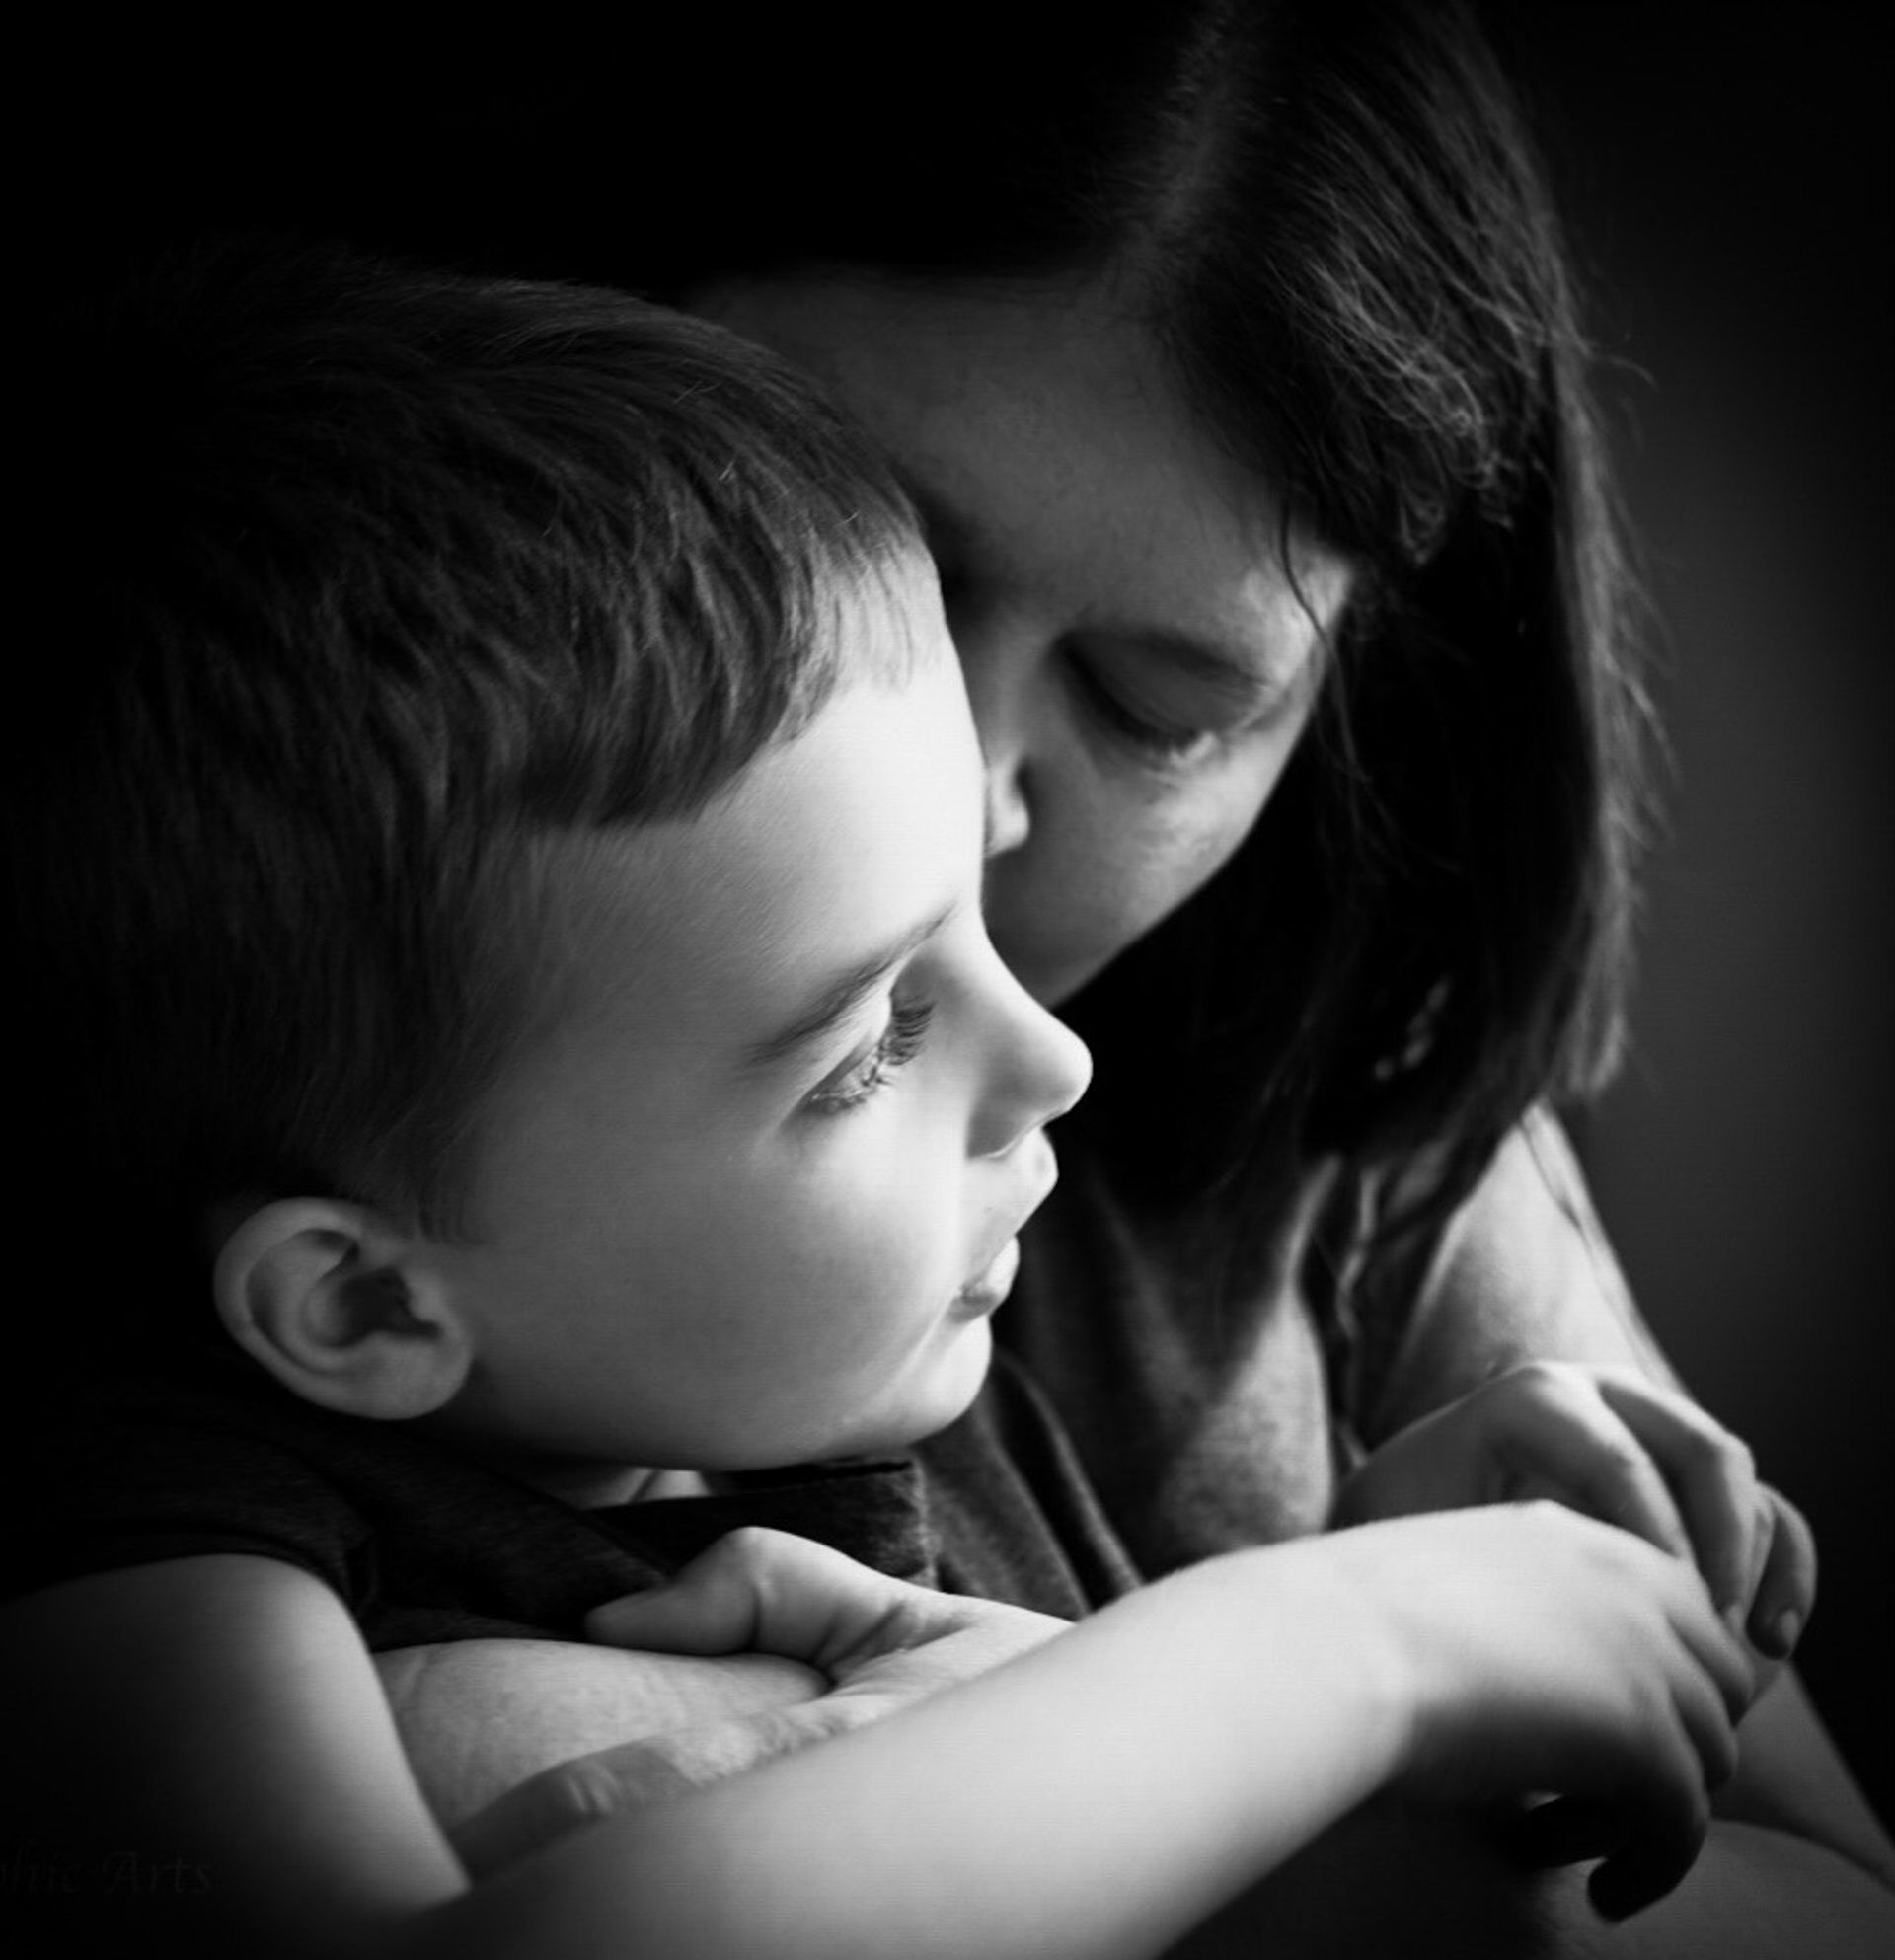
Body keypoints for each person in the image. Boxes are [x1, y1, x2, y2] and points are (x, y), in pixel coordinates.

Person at [32, 1, 1895, 1950]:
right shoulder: (182, 1361)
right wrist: (1314, 1661)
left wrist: (1366, 1663)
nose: (978, 798)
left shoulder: (1231, 1182)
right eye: (882, 554)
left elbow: (1831, 1908)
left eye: (1153, 703)